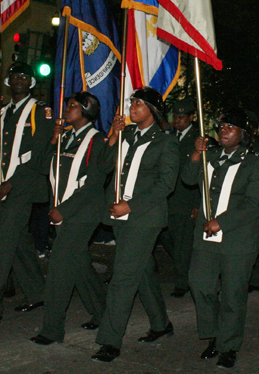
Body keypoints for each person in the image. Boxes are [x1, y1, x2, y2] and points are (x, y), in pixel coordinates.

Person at [91, 87, 180, 363]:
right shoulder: (126, 135)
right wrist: (113, 136)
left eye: (138, 103)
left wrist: (130, 205)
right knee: (140, 270)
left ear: (152, 110)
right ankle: (160, 323)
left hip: (144, 217)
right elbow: (103, 166)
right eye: (132, 102)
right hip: (119, 216)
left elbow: (165, 184)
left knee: (123, 276)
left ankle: (110, 340)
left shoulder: (166, 142)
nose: (132, 106)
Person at [184, 109, 259, 369]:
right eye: (222, 126)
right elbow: (187, 179)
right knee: (199, 284)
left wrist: (222, 221)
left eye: (231, 127)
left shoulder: (253, 161)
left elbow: (255, 203)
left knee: (233, 296)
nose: (224, 130)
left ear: (243, 133)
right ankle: (216, 335)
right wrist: (196, 153)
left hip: (238, 239)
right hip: (206, 238)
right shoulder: (210, 156)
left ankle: (228, 345)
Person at [0, 62, 53, 329]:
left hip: (24, 186)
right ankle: (38, 293)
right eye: (14, 76)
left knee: (0, 246)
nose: (19, 79)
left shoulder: (39, 110)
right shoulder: (3, 111)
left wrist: (12, 183)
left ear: (31, 83)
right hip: (4, 186)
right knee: (18, 243)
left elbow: (40, 154)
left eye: (24, 76)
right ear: (8, 82)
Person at [30, 92, 110, 346]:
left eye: (73, 106)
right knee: (78, 265)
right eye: (67, 105)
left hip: (82, 213)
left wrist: (65, 208)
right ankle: (105, 313)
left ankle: (52, 330)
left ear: (87, 110)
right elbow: (43, 168)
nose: (67, 109)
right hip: (63, 210)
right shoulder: (63, 137)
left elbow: (95, 184)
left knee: (59, 268)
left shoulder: (97, 140)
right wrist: (53, 139)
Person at [161, 97, 200, 298]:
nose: (178, 121)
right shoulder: (169, 136)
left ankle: (182, 282)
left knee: (183, 242)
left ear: (191, 117)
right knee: (167, 236)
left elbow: (201, 174)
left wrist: (197, 203)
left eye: (182, 117)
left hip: (186, 199)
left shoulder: (198, 139)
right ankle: (185, 266)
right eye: (175, 117)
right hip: (168, 197)